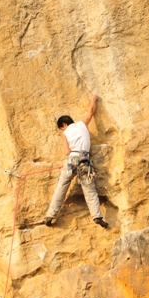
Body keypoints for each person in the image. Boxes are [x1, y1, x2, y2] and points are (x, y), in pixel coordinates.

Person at [45, 94, 108, 228]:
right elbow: (91, 111)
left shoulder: (65, 133)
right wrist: (93, 99)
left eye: (61, 128)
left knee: (61, 187)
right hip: (84, 161)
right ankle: (97, 216)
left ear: (64, 124)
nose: (62, 130)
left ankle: (50, 215)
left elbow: (67, 152)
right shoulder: (82, 124)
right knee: (89, 190)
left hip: (71, 161)